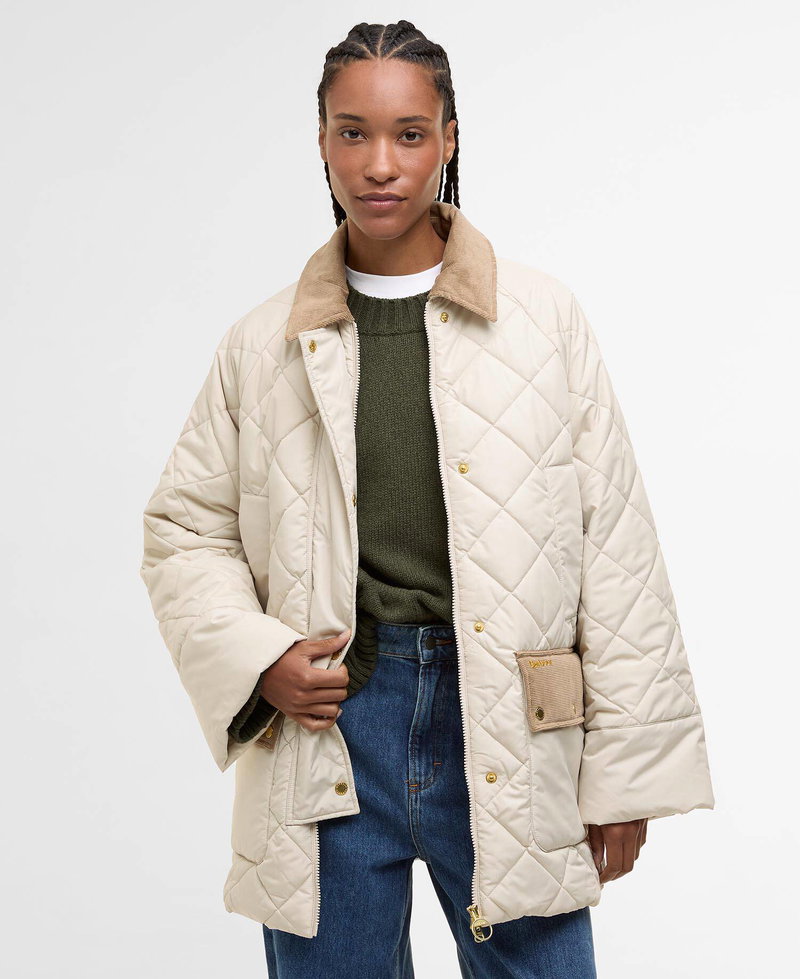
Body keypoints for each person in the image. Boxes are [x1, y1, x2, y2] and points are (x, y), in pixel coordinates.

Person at [139, 19, 715, 979]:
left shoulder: (541, 322)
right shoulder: (261, 344)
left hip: (511, 719)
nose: (380, 164)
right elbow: (183, 530)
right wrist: (259, 656)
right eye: (352, 132)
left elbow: (615, 545)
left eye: (409, 134)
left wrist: (625, 776)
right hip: (331, 724)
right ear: (321, 143)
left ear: (449, 138)